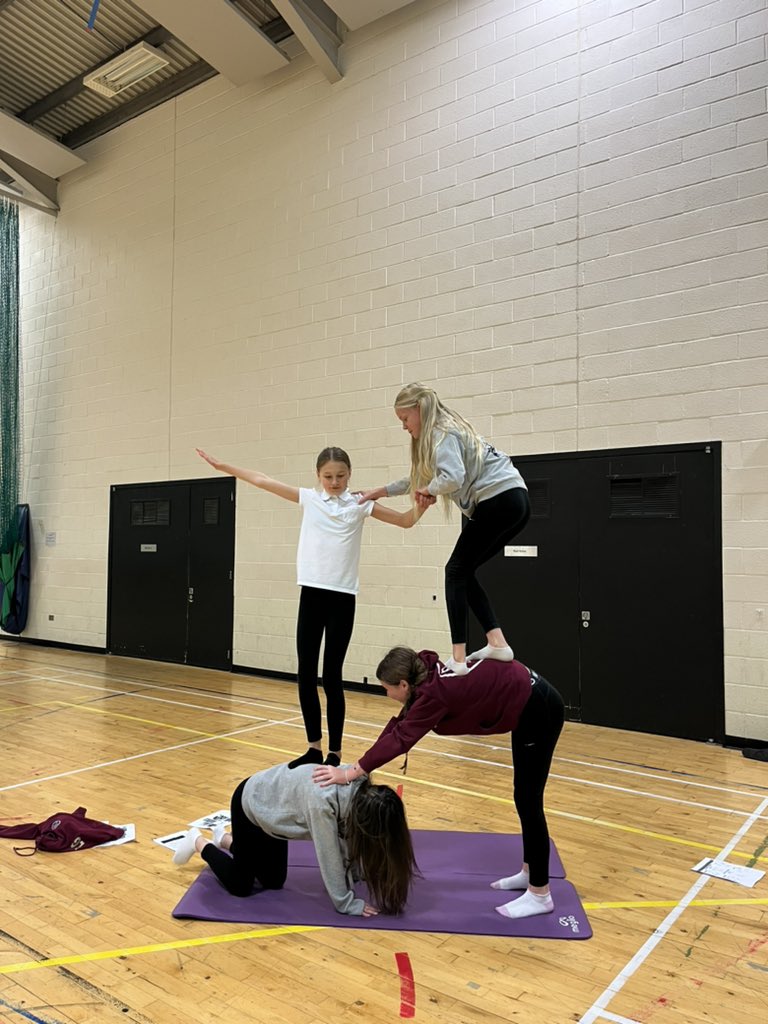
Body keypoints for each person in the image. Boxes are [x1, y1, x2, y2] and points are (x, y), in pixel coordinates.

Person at [197, 446, 425, 768]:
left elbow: (405, 521)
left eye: (341, 476)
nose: (335, 482)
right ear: (318, 476)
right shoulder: (310, 498)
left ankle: (335, 752)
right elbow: (262, 480)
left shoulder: (361, 505)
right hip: (312, 596)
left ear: (350, 475)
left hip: (342, 598)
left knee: (331, 676)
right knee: (306, 674)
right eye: (328, 476)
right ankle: (313, 747)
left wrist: (422, 505)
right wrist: (225, 466)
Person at [313, 646, 564, 920]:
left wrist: (351, 772)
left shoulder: (433, 695)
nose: (386, 694)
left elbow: (401, 739)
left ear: (404, 684)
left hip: (539, 709)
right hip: (526, 702)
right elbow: (398, 727)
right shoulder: (424, 677)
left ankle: (540, 894)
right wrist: (355, 767)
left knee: (529, 802)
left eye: (387, 688)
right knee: (522, 797)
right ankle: (530, 872)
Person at [357, 383, 529, 674]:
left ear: (419, 410)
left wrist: (431, 488)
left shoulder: (440, 432)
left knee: (454, 571)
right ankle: (497, 642)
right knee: (464, 572)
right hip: (517, 500)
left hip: (498, 498)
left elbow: (452, 477)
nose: (403, 427)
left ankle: (458, 659)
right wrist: (380, 491)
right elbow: (416, 479)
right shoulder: (446, 432)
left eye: (404, 419)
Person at [170, 763, 416, 916]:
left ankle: (226, 839)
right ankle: (199, 842)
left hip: (278, 812)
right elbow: (329, 854)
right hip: (252, 805)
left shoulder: (359, 784)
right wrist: (346, 903)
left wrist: (356, 872)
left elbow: (349, 836)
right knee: (241, 885)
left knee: (273, 881)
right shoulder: (322, 806)